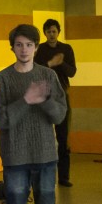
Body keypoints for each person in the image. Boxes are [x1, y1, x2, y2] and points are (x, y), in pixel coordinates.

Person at [0, 24, 68, 204]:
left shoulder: (48, 76)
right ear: (12, 47)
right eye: (19, 45)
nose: (24, 50)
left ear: (36, 47)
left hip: (46, 155)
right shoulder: (2, 79)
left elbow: (60, 114)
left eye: (29, 45)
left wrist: (42, 99)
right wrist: (26, 100)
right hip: (15, 157)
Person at [36, 18, 77, 187]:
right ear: (45, 33)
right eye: (48, 32)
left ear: (58, 32)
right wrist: (51, 63)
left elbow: (72, 72)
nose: (51, 34)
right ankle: (43, 175)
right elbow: (36, 72)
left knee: (63, 137)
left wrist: (62, 63)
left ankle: (64, 176)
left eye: (54, 31)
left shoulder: (66, 49)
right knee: (43, 136)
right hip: (44, 96)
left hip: (61, 97)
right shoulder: (40, 50)